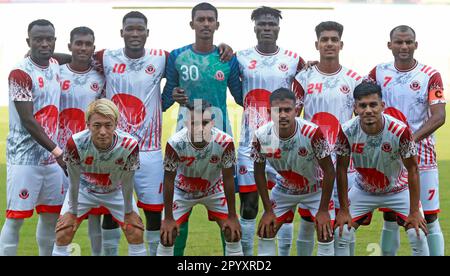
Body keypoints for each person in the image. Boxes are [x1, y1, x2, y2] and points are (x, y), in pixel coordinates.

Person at [161, 2, 243, 255]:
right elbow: (165, 101)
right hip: (184, 141)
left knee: (227, 211)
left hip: (220, 140)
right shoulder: (177, 56)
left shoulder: (227, 58)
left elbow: (241, 98)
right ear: (192, 24)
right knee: (178, 209)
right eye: (201, 19)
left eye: (210, 20)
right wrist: (173, 95)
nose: (206, 24)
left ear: (217, 25)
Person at [367, 25, 446, 256]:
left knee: (429, 216)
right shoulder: (377, 73)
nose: (404, 46)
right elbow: (360, 101)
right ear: (390, 45)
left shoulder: (430, 75)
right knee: (390, 216)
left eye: (408, 42)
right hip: (388, 155)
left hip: (422, 155)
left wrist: (409, 140)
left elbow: (439, 115)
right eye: (399, 42)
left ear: (415, 45)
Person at [235, 6, 305, 256]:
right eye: (262, 24)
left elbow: (304, 93)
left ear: (278, 27)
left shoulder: (294, 60)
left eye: (271, 24)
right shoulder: (239, 57)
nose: (267, 28)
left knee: (283, 206)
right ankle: (246, 257)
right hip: (249, 143)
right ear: (254, 26)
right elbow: (234, 90)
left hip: (284, 146)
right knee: (250, 205)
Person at [333, 82, 429, 256]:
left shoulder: (400, 131)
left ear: (382, 106)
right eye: (362, 105)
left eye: (373, 104)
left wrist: (414, 211)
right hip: (364, 190)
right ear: (355, 108)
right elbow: (341, 169)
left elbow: (413, 169)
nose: (368, 110)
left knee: (418, 234)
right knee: (342, 232)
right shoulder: (347, 130)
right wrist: (343, 210)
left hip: (398, 190)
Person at [294, 21, 361, 255]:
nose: (329, 43)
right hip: (312, 164)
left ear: (341, 44)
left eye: (334, 39)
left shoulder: (354, 79)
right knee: (308, 222)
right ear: (317, 44)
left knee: (344, 222)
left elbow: (361, 122)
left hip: (345, 165)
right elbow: (292, 116)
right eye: (325, 39)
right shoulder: (304, 78)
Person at [0, 19, 66, 256]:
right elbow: (28, 120)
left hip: (50, 161)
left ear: (55, 40)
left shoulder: (56, 64)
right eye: (38, 39)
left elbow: (73, 58)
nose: (44, 43)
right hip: (24, 160)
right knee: (16, 219)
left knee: (50, 216)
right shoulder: (20, 73)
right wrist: (58, 152)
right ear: (29, 41)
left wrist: (88, 56)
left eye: (49, 38)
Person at [52, 98, 146, 256]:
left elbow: (128, 182)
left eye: (108, 125)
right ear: (88, 124)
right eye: (96, 125)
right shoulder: (75, 143)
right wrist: (72, 212)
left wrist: (129, 212)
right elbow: (73, 182)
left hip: (116, 191)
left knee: (135, 232)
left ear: (116, 124)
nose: (102, 132)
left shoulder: (130, 145)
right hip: (84, 190)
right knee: (63, 232)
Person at [251, 88, 336, 256]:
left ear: (296, 110)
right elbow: (259, 173)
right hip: (284, 190)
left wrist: (324, 209)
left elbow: (329, 170)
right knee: (266, 230)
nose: (282, 115)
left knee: (325, 233)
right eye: (277, 110)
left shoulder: (312, 133)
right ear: (269, 111)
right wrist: (268, 210)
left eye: (287, 110)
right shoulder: (262, 136)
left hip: (315, 190)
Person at [157, 101, 243, 256]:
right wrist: (168, 218)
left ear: (213, 123)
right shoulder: (175, 143)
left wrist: (232, 215)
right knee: (166, 236)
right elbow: (168, 180)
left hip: (213, 189)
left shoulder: (225, 142)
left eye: (205, 123)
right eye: (194, 123)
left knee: (232, 232)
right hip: (182, 191)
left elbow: (229, 179)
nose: (199, 128)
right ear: (185, 123)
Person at [58, 26, 106, 256]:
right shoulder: (55, 72)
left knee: (95, 218)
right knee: (60, 215)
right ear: (70, 46)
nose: (83, 48)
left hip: (90, 154)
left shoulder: (100, 77)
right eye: (79, 43)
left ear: (93, 48)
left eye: (88, 44)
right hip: (59, 156)